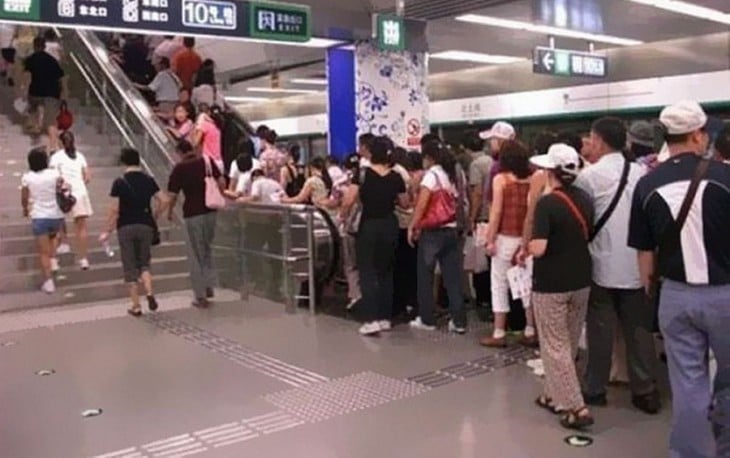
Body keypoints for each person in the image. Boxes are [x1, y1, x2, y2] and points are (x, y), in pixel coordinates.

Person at [628, 101, 730, 458]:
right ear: (698, 135)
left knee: (688, 383)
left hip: (675, 296)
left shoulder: (647, 184)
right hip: (725, 296)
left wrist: (650, 291)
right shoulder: (725, 178)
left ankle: (689, 453)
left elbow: (644, 254)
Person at [575, 117, 661, 414]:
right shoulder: (642, 174)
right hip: (639, 265)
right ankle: (645, 391)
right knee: (639, 331)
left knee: (600, 331)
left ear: (598, 140)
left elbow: (583, 222)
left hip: (600, 265)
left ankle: (595, 389)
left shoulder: (588, 177)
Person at [528, 143, 595, 430]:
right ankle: (553, 395)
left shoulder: (548, 203)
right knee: (568, 342)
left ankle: (576, 407)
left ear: (550, 172)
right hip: (581, 278)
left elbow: (539, 248)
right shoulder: (585, 198)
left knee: (554, 346)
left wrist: (528, 245)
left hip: (551, 283)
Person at [341, 137, 407, 335]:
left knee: (367, 272)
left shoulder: (361, 174)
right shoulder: (396, 176)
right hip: (390, 224)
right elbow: (404, 203)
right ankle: (385, 318)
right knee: (386, 272)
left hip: (369, 225)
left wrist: (342, 217)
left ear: (370, 154)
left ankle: (371, 319)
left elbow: (349, 200)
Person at [481, 140, 536, 347]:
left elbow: (496, 212)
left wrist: (489, 239)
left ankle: (499, 332)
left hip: (505, 238)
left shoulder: (501, 180)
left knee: (499, 284)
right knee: (525, 285)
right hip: (526, 240)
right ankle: (530, 330)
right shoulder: (534, 179)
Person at [408, 140, 467, 334]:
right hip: (450, 230)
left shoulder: (431, 176)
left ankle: (427, 319)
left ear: (428, 158)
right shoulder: (450, 175)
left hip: (432, 232)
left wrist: (413, 226)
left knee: (425, 276)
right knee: (453, 278)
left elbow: (422, 205)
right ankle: (459, 322)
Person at [100, 149, 166, 317]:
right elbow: (164, 200)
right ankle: (150, 293)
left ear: (124, 162)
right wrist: (155, 216)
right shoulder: (148, 180)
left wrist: (107, 230)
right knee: (144, 263)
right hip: (145, 225)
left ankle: (136, 306)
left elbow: (115, 209)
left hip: (126, 227)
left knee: (130, 267)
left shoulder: (120, 182)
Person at [167, 140, 224, 308]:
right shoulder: (207, 161)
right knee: (206, 249)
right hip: (211, 211)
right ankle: (208, 286)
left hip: (193, 214)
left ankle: (200, 296)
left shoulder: (180, 169)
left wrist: (169, 212)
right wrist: (220, 194)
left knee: (195, 254)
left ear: (179, 152)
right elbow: (220, 181)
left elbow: (173, 195)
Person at [21, 148, 64, 294]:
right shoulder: (54, 174)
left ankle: (49, 281)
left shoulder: (28, 177)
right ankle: (53, 258)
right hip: (56, 214)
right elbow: (62, 187)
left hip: (39, 215)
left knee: (43, 252)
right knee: (55, 237)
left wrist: (25, 209)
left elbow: (24, 197)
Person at [50, 131, 92, 270]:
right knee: (81, 227)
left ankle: (55, 259)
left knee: (57, 225)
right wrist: (79, 184)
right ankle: (84, 259)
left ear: (60, 142)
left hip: (64, 193)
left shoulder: (56, 157)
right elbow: (87, 176)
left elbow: (54, 176)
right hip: (80, 192)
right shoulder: (80, 156)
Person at [22, 36, 65, 135]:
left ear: (34, 46)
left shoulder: (31, 59)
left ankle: (36, 124)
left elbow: (27, 76)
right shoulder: (52, 60)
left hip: (36, 91)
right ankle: (53, 141)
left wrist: (23, 89)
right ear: (45, 46)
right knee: (51, 121)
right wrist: (64, 92)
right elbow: (61, 77)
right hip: (52, 92)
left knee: (33, 107)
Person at [339, 153, 363, 310]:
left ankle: (355, 296)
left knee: (351, 264)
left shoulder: (349, 183)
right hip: (368, 225)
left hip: (353, 225)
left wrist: (342, 217)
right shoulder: (372, 177)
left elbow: (347, 202)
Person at [480, 121, 517, 204]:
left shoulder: (497, 167)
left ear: (500, 141)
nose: (490, 142)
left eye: (492, 139)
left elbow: (492, 200)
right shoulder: (524, 163)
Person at [192, 104, 223, 171]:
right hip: (219, 162)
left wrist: (196, 126)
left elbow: (195, 143)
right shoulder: (219, 126)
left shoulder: (205, 125)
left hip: (208, 162)